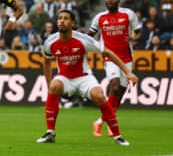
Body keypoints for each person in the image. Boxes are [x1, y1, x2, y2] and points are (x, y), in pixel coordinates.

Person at [36, 9, 138, 146]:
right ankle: (50, 132)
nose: (61, 21)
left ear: (72, 23)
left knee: (99, 95)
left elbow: (107, 52)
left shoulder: (83, 40)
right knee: (54, 86)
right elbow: (46, 61)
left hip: (84, 77)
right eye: (60, 18)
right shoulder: (50, 41)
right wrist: (49, 83)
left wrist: (127, 72)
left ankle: (117, 135)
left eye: (65, 18)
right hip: (64, 78)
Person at [88, 0, 141, 137]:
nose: (110, 1)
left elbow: (139, 31)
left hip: (126, 57)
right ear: (105, 1)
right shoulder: (99, 17)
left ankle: (101, 121)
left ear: (119, 0)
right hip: (109, 58)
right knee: (115, 85)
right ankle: (110, 123)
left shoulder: (128, 14)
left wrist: (135, 39)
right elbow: (90, 35)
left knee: (120, 92)